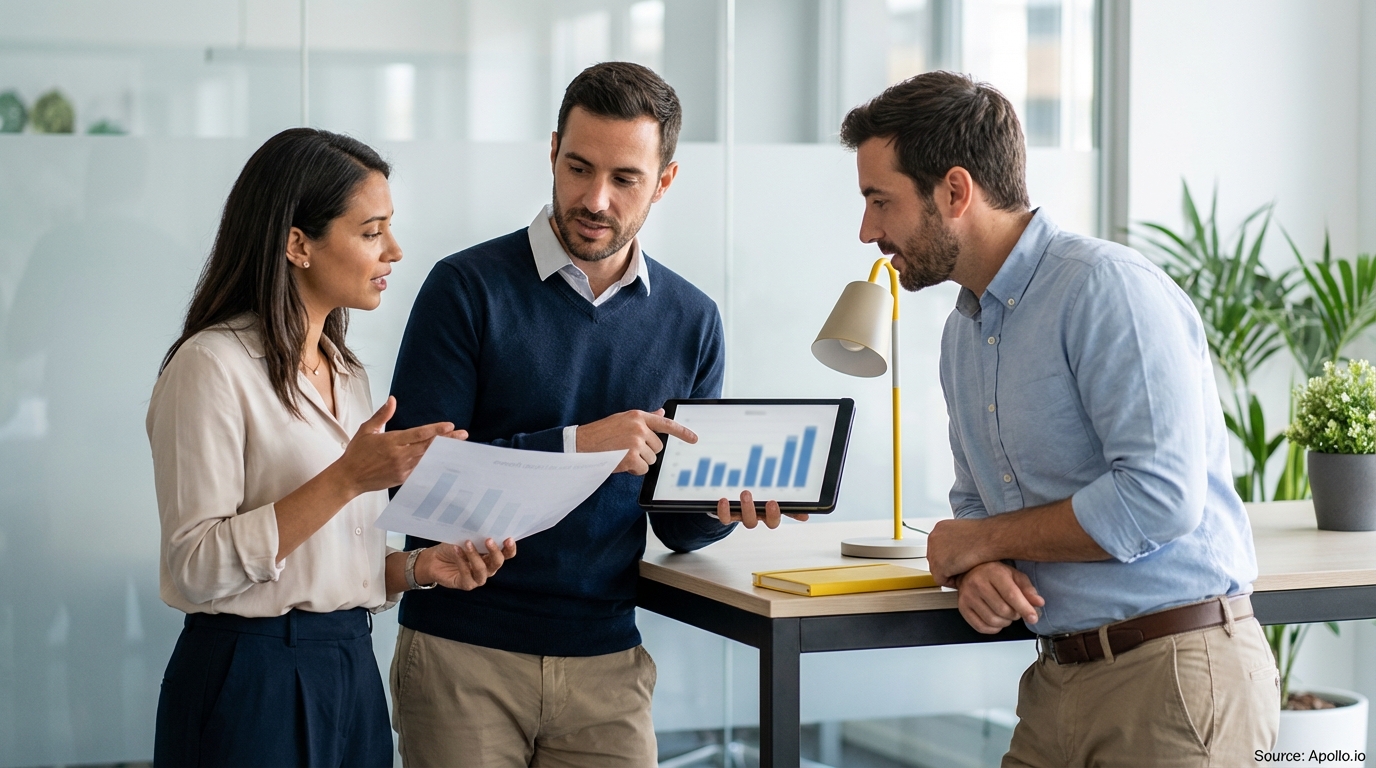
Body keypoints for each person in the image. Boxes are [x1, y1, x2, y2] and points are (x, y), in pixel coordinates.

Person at [838, 72, 1279, 766]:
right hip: (1056, 685)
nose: (868, 231)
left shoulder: (1105, 290)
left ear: (955, 192)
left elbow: (1158, 499)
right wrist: (978, 570)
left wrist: (979, 541)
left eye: (879, 201)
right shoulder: (963, 332)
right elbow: (976, 510)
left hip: (1172, 677)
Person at [386, 62, 798, 767]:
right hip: (464, 655)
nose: (596, 198)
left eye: (625, 179)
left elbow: (673, 520)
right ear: (552, 153)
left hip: (608, 664)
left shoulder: (692, 319)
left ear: (664, 181)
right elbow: (417, 489)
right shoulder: (465, 288)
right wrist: (580, 445)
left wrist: (720, 509)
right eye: (578, 168)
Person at [147, 128, 517, 767]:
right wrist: (346, 479)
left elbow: (336, 566)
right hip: (249, 676)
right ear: (298, 244)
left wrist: (420, 570)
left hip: (350, 664)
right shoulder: (211, 366)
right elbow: (194, 566)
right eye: (372, 232)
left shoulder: (349, 376)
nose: (394, 251)